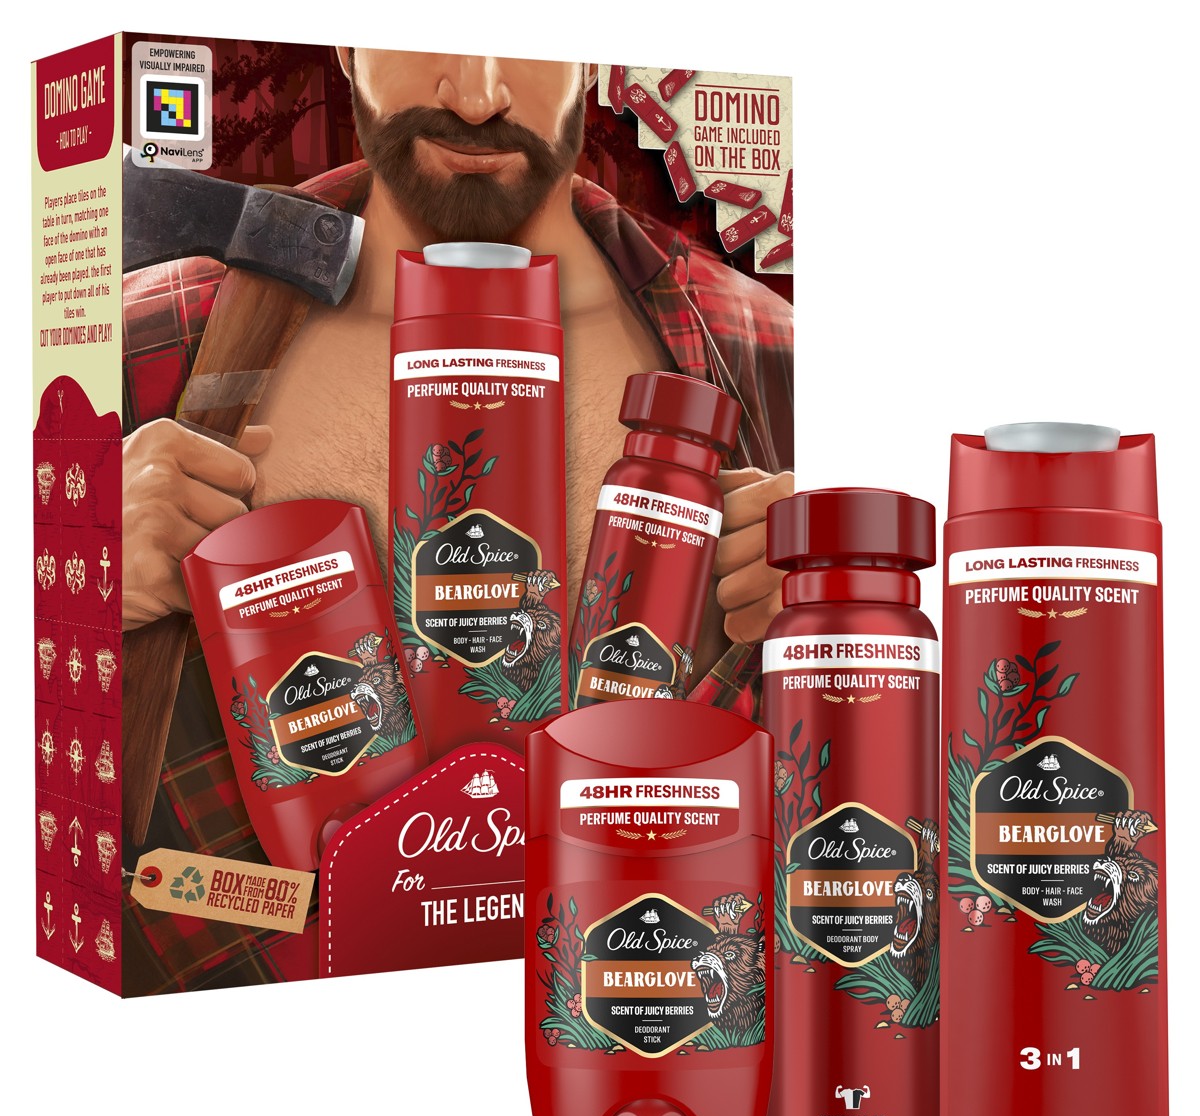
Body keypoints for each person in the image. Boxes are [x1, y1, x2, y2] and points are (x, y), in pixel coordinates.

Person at [122, 53, 794, 680]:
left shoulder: (775, 349)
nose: (477, 99)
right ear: (344, 42)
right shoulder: (142, 335)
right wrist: (86, 563)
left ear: (593, 57)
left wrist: (830, 598)